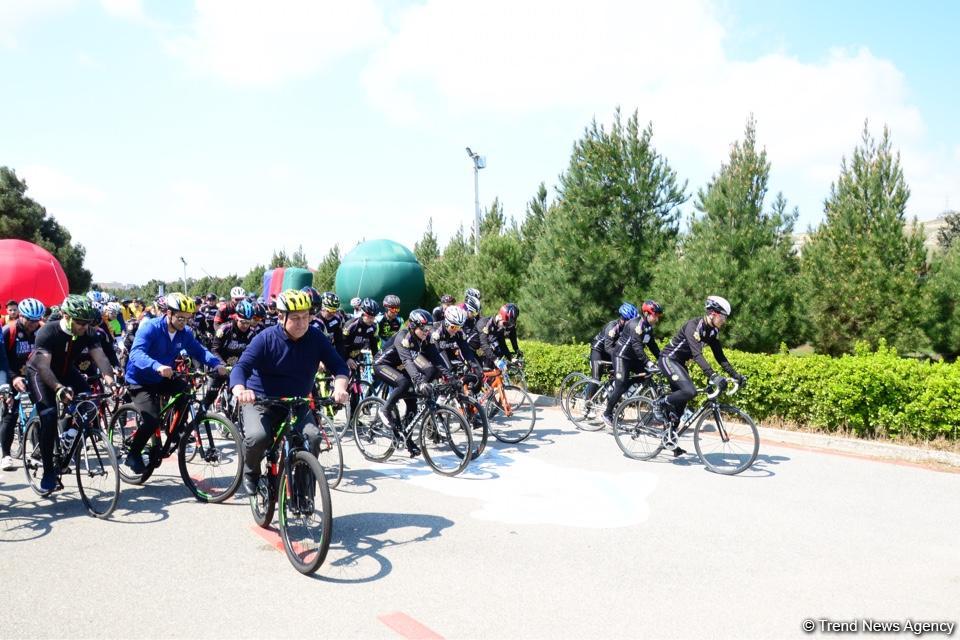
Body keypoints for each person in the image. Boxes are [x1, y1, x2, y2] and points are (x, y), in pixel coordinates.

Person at [230, 289, 349, 494]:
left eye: (306, 317)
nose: (302, 323)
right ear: (280, 316)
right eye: (295, 318)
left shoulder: (316, 337)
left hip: (297, 402)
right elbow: (241, 367)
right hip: (261, 402)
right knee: (258, 437)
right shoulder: (265, 338)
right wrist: (240, 389)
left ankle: (303, 491)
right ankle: (251, 473)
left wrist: (340, 387)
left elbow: (339, 366)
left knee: (313, 438)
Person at [123, 293, 225, 474]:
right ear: (168, 313)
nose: (183, 322)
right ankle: (133, 454)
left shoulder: (184, 333)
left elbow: (199, 351)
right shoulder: (150, 328)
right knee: (152, 419)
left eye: (187, 318)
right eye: (180, 317)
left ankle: (177, 431)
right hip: (140, 380)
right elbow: (136, 354)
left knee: (186, 391)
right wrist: (157, 366)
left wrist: (217, 364)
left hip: (162, 377)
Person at [24, 296, 116, 493]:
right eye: (80, 322)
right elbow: (43, 366)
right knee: (48, 417)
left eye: (88, 322)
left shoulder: (89, 331)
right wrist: (58, 389)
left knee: (90, 406)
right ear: (66, 316)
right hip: (40, 373)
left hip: (67, 371)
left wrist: (112, 382)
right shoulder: (48, 331)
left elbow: (101, 358)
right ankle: (49, 471)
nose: (84, 327)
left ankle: (69, 437)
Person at [655, 296, 746, 456]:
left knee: (681, 403)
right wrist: (713, 376)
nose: (724, 321)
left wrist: (735, 375)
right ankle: (660, 403)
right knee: (690, 392)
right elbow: (697, 355)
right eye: (723, 317)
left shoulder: (713, 331)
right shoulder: (694, 326)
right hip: (668, 360)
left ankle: (669, 439)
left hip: (680, 364)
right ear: (713, 313)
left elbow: (720, 356)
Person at [371, 309, 439, 457]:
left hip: (399, 366)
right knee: (404, 383)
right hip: (382, 365)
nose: (427, 332)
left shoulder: (424, 338)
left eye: (429, 329)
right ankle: (385, 409)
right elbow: (407, 361)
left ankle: (407, 440)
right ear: (414, 326)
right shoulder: (403, 337)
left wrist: (451, 377)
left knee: (412, 402)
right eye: (424, 328)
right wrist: (419, 382)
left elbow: (437, 359)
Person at [0, 298, 45, 470]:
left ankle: (38, 450)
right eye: (30, 320)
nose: (34, 323)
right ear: (21, 315)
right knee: (10, 416)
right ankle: (5, 455)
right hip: (12, 375)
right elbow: (2, 361)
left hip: (34, 376)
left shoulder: (41, 329)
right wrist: (12, 378)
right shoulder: (8, 331)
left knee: (43, 410)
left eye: (37, 319)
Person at [602, 300, 662, 428]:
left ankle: (622, 392)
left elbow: (653, 346)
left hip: (632, 358)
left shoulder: (648, 328)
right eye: (655, 315)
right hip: (621, 356)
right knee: (622, 383)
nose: (657, 318)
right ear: (646, 313)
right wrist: (649, 362)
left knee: (646, 375)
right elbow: (637, 347)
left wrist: (662, 359)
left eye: (658, 315)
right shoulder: (636, 325)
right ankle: (607, 413)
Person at [201, 300, 257, 408]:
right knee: (210, 395)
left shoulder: (252, 333)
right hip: (221, 364)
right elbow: (214, 350)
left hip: (238, 366)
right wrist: (222, 365)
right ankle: (200, 414)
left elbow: (253, 353)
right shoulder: (225, 329)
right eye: (242, 322)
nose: (245, 325)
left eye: (248, 322)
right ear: (236, 317)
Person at [582, 302, 637, 407]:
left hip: (611, 353)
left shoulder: (628, 329)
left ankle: (607, 399)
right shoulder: (612, 327)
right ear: (623, 319)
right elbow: (608, 348)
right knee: (596, 378)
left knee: (618, 376)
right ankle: (587, 405)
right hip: (598, 351)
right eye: (629, 321)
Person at [471, 303, 521, 369]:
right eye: (505, 323)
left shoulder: (499, 327)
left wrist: (511, 358)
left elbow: (502, 345)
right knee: (481, 375)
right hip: (471, 351)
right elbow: (484, 344)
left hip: (482, 353)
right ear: (500, 317)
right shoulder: (484, 323)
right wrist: (496, 360)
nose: (505, 327)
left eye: (508, 325)